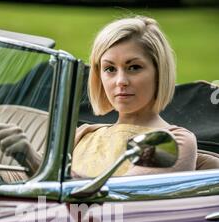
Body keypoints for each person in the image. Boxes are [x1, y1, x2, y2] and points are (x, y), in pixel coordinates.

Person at [72, 16, 197, 178]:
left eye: (134, 67)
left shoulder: (173, 140)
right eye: (110, 69)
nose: (120, 81)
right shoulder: (83, 134)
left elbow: (122, 194)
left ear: (159, 72)